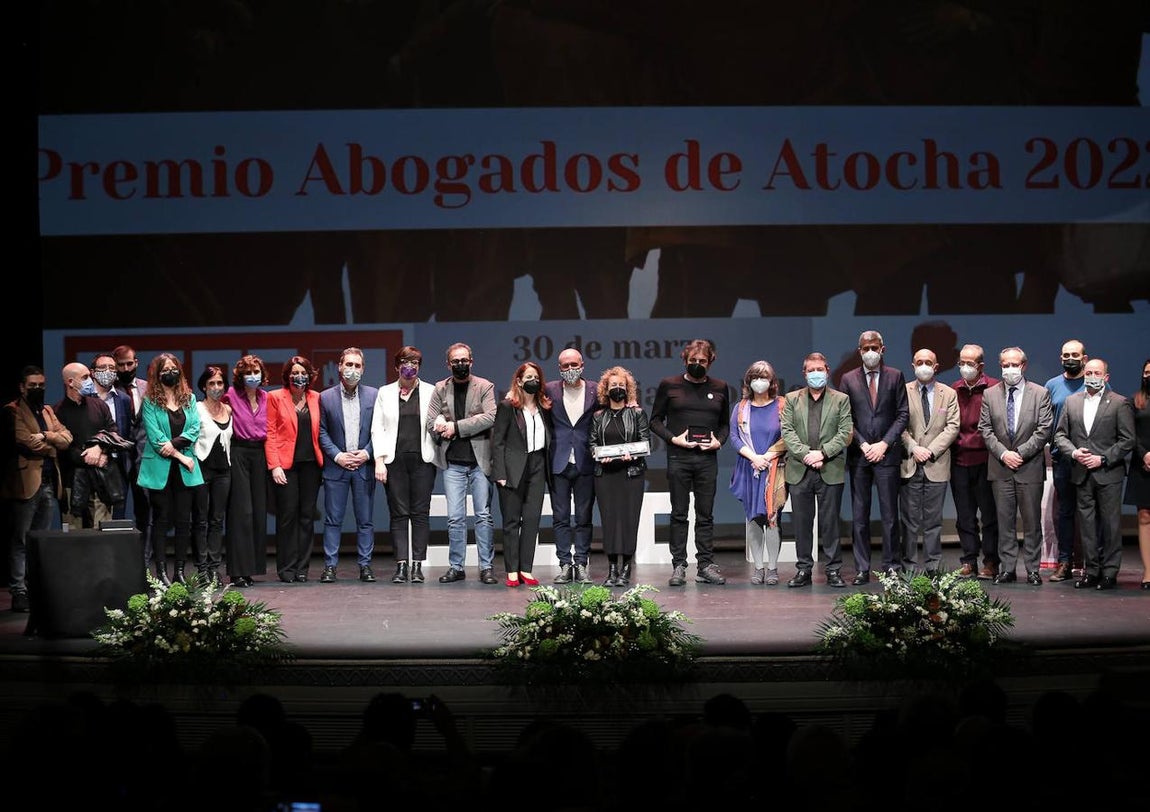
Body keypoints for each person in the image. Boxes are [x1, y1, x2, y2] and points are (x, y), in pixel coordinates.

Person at [649, 338, 730, 586]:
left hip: (707, 459)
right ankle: (679, 565)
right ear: (685, 360)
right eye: (693, 361)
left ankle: (705, 565)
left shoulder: (720, 387)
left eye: (702, 361)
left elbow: (725, 424)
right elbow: (655, 421)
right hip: (679, 458)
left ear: (711, 361)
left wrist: (719, 441)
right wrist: (674, 439)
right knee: (679, 513)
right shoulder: (669, 385)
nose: (697, 364)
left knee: (705, 514)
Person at [1053, 359, 1135, 590]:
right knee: (1086, 526)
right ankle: (1091, 571)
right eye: (1088, 372)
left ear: (1106, 377)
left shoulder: (1119, 403)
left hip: (1108, 472)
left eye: (1097, 373)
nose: (1091, 376)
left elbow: (1127, 439)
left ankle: (1110, 572)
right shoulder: (1071, 402)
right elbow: (1060, 436)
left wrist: (1103, 458)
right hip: (1081, 472)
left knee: (1110, 525)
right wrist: (1075, 453)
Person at [978, 346, 1054, 585]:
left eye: (1014, 365)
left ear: (1024, 366)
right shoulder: (990, 394)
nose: (1010, 369)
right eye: (1005, 365)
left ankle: (1032, 569)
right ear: (1000, 366)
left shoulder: (1040, 393)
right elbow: (985, 429)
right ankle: (1008, 569)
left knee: (1032, 523)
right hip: (1000, 468)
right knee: (1004, 522)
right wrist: (1003, 454)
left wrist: (1019, 453)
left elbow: (1044, 430)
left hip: (1029, 466)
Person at [838, 329, 910, 583]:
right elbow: (844, 418)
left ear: (883, 349)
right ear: (860, 351)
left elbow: (902, 414)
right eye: (866, 348)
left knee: (891, 515)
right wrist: (863, 444)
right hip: (859, 457)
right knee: (860, 516)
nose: (870, 352)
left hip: (887, 456)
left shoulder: (895, 376)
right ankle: (862, 568)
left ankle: (892, 566)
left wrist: (884, 444)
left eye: (874, 347)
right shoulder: (848, 379)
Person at [779, 352, 854, 587]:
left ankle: (833, 570)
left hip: (829, 468)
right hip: (799, 469)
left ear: (827, 370)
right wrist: (806, 455)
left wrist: (821, 453)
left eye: (819, 369)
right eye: (811, 371)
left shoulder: (840, 399)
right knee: (802, 523)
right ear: (804, 373)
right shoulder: (792, 399)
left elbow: (845, 432)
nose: (815, 374)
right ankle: (803, 570)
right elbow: (787, 431)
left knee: (830, 522)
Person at [427, 343, 498, 585]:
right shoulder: (440, 388)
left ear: (471, 361)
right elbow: (429, 421)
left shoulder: (485, 386)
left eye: (464, 360)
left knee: (483, 516)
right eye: (455, 361)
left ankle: (486, 567)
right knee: (455, 518)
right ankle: (456, 567)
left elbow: (490, 417)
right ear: (448, 364)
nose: (460, 364)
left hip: (479, 460)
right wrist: (438, 424)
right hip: (453, 462)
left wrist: (454, 427)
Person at [3, 366, 71, 612]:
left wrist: (46, 436)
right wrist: (52, 442)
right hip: (26, 482)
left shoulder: (48, 410)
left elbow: (67, 438)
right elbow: (24, 441)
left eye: (41, 385)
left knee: (39, 539)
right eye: (32, 385)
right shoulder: (12, 410)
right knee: (21, 539)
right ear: (22, 387)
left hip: (49, 482)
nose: (38, 389)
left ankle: (35, 588)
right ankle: (18, 590)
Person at [371, 346, 437, 585]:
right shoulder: (385, 392)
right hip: (394, 460)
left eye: (415, 362)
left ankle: (417, 566)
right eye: (405, 362)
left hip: (423, 459)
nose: (410, 366)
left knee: (420, 513)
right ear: (397, 366)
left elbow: (439, 418)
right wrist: (379, 460)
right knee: (399, 514)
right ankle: (401, 566)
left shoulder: (431, 391)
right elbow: (377, 428)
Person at [136, 353, 203, 586]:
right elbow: (156, 439)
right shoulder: (150, 402)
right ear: (157, 374)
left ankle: (180, 572)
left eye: (174, 368)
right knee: (162, 520)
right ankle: (162, 572)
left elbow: (194, 428)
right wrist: (180, 457)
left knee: (184, 521)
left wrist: (174, 446)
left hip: (185, 470)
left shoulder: (190, 399)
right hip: (161, 469)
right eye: (165, 370)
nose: (170, 372)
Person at [319, 347, 378, 584]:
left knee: (365, 520)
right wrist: (337, 456)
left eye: (357, 365)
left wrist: (366, 453)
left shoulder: (374, 395)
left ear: (363, 369)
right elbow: (322, 431)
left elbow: (381, 430)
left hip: (364, 467)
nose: (352, 370)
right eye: (348, 365)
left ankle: (365, 566)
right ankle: (330, 566)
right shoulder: (325, 397)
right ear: (339, 366)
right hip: (337, 467)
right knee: (333, 520)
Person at [492, 362, 553, 587]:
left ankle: (526, 569)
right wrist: (500, 472)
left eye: (535, 377)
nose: (532, 381)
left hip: (538, 465)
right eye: (528, 377)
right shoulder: (508, 406)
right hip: (513, 467)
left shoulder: (545, 406)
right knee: (511, 521)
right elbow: (497, 442)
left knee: (531, 520)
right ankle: (511, 570)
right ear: (518, 381)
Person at [898, 349, 960, 574]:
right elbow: (899, 425)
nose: (924, 366)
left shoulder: (949, 393)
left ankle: (933, 566)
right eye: (919, 362)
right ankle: (909, 567)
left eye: (928, 362)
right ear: (913, 365)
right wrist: (915, 448)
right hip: (909, 463)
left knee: (933, 522)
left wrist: (930, 450)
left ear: (936, 366)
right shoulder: (903, 391)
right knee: (909, 521)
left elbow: (952, 426)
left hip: (937, 464)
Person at [588, 366, 649, 587]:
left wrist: (631, 454)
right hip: (605, 475)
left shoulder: (637, 413)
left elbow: (644, 443)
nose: (617, 389)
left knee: (629, 521)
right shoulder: (598, 416)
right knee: (610, 521)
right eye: (613, 385)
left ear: (628, 389)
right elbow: (592, 444)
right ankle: (612, 568)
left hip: (631, 475)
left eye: (621, 385)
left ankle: (626, 569)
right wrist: (598, 455)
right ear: (606, 389)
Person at [728, 360, 787, 586]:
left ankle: (772, 568)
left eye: (764, 377)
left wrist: (768, 457)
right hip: (750, 467)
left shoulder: (782, 405)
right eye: (755, 377)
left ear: (772, 382)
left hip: (774, 468)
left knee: (772, 518)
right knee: (753, 519)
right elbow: (734, 437)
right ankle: (758, 568)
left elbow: (788, 435)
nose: (759, 382)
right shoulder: (741, 407)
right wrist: (754, 458)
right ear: (748, 381)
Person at [266, 355, 323, 583]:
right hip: (286, 467)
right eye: (294, 372)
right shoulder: (275, 397)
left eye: (303, 372)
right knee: (287, 517)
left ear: (309, 376)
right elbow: (269, 432)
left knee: (307, 517)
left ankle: (302, 568)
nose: (298, 376)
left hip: (311, 466)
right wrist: (274, 465)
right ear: (287, 375)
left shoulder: (317, 398)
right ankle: (286, 567)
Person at [543, 347, 598, 585]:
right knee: (561, 517)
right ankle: (565, 564)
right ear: (559, 368)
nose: (570, 370)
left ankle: (582, 563)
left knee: (584, 517)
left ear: (583, 365)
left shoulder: (596, 390)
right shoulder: (549, 390)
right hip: (559, 462)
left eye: (574, 365)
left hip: (586, 460)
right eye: (565, 366)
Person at [950, 344, 1001, 579]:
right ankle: (969, 560)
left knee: (989, 515)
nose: (964, 367)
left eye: (970, 363)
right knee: (965, 516)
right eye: (962, 362)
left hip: (985, 461)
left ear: (980, 366)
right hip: (959, 461)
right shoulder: (954, 389)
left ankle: (990, 562)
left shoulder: (993, 389)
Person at [222, 354, 269, 588]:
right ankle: (237, 571)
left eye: (256, 372)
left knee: (258, 513)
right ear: (240, 376)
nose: (253, 376)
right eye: (248, 373)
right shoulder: (230, 395)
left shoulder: (266, 398)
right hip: (238, 452)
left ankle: (251, 569)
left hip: (260, 454)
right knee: (242, 513)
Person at [55, 362, 119, 530]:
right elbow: (62, 447)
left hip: (101, 477)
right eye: (84, 378)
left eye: (89, 377)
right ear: (70, 382)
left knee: (102, 530)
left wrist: (99, 449)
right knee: (73, 531)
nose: (90, 381)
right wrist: (88, 458)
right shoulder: (57, 412)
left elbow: (113, 432)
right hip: (72, 480)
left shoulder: (99, 405)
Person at [1044, 338, 1089, 582]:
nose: (1069, 359)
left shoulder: (1094, 381)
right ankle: (1064, 561)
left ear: (1084, 358)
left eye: (1074, 355)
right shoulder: (1052, 385)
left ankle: (1092, 563)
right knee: (1065, 512)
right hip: (1063, 459)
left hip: (1090, 461)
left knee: (1091, 512)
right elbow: (1047, 423)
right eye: (1065, 355)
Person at [192, 364, 232, 584]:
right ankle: (201, 568)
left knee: (217, 520)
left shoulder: (228, 409)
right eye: (211, 384)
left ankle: (214, 568)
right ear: (204, 387)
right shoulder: (196, 408)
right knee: (200, 520)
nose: (216, 387)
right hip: (201, 468)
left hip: (223, 472)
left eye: (219, 383)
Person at [112, 344, 151, 563]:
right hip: (118, 459)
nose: (126, 368)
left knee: (145, 514)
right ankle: (117, 563)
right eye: (121, 365)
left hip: (144, 458)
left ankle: (144, 563)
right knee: (117, 513)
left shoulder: (148, 387)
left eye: (130, 363)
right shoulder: (108, 390)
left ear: (136, 363)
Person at [89, 352, 134, 520]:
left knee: (116, 519)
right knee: (91, 519)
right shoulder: (83, 397)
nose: (108, 371)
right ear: (92, 372)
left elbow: (126, 431)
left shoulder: (123, 399)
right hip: (89, 464)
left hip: (117, 465)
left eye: (112, 368)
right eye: (102, 367)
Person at [1123, 359, 1150, 589]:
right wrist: (1145, 455)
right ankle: (1148, 572)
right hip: (1143, 464)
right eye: (1146, 372)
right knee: (1144, 515)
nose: (1148, 376)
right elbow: (1130, 434)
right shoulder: (1136, 401)